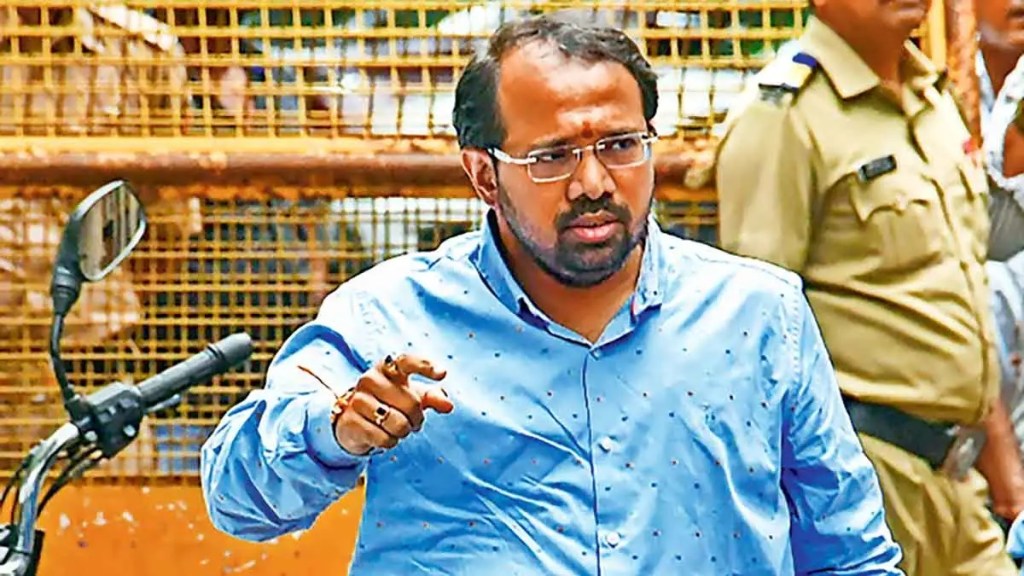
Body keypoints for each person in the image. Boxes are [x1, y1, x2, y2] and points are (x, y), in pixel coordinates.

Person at [200, 15, 902, 574]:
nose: (593, 182)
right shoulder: (388, 317)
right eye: (552, 156)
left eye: (621, 145)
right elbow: (237, 501)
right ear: (483, 175)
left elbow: (851, 556)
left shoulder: (759, 316)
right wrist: (332, 432)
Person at [714, 1, 1024, 574]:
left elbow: (957, 292)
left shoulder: (932, 99)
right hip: (862, 474)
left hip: (955, 476)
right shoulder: (782, 117)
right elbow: (753, 332)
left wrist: (999, 453)